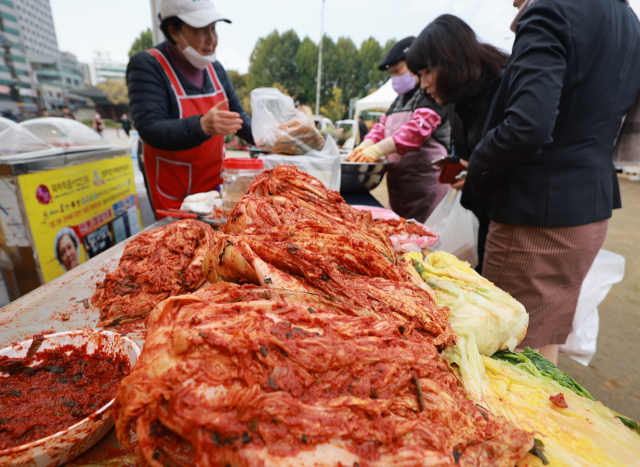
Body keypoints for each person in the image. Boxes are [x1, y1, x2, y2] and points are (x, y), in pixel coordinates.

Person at [460, 0, 640, 363]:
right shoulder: (626, 18)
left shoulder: (551, 9)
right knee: (544, 345)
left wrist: (478, 163)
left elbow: (527, 125)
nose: (513, 2)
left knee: (506, 354)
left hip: (536, 214)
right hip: (590, 208)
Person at [127, 0, 253, 214]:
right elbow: (150, 128)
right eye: (201, 30)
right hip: (176, 193)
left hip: (215, 190)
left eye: (213, 29)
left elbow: (238, 117)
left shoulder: (215, 68)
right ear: (174, 31)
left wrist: (272, 138)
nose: (211, 40)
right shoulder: (148, 65)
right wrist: (202, 125)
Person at [406, 16, 509, 270]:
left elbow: (517, 148)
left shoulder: (505, 87)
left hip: (511, 220)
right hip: (483, 213)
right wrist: (465, 172)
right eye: (420, 74)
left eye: (428, 71)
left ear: (453, 59)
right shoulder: (454, 100)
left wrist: (477, 171)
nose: (424, 83)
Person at [348, 36, 451, 223]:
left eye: (398, 71)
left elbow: (415, 131)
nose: (395, 77)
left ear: (415, 66)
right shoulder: (398, 101)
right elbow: (381, 127)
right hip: (400, 191)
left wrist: (378, 150)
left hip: (427, 192)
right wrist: (365, 145)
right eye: (392, 73)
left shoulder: (430, 95)